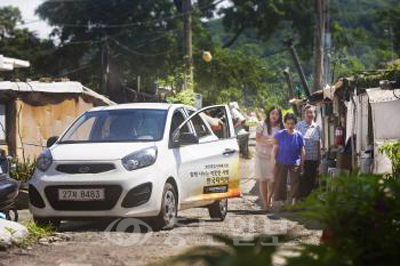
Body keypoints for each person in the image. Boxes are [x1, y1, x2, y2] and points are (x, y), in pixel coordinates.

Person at [272, 113, 305, 206]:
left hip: (295, 162)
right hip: (281, 161)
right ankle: (282, 200)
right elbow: (274, 150)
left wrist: (302, 165)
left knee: (295, 181)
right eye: (288, 123)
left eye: (292, 123)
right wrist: (273, 163)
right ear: (285, 123)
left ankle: (293, 200)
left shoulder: (299, 135)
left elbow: (302, 151)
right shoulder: (279, 134)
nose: (290, 126)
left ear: (295, 124)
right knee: (280, 181)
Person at [255, 106, 284, 211]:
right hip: (261, 156)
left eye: (277, 114)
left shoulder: (281, 127)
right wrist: (272, 141)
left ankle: (269, 197)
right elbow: (258, 138)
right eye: (273, 113)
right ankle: (265, 203)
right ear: (269, 114)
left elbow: (282, 141)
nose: (274, 116)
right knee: (262, 180)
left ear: (279, 116)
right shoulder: (262, 124)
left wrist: (270, 141)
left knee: (272, 180)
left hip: (274, 157)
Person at [296, 105, 321, 198]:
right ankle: (301, 200)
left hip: (313, 159)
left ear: (314, 114)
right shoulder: (299, 125)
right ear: (304, 114)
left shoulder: (317, 127)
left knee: (311, 180)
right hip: (302, 159)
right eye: (307, 112)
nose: (310, 114)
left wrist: (319, 158)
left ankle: (307, 201)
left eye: (312, 112)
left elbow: (319, 143)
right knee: (302, 181)